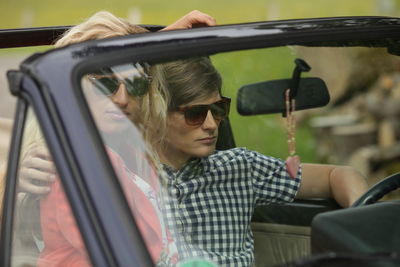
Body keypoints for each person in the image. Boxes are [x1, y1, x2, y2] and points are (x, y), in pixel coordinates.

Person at [9, 10, 217, 267]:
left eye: (136, 84)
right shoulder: (73, 162)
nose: (121, 97)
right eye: (104, 85)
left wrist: (162, 38)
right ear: (70, 87)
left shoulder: (131, 150)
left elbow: (118, 64)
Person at [150, 56, 369, 266]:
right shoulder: (127, 181)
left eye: (218, 109)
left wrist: (364, 219)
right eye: (195, 113)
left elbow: (338, 175)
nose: (212, 124)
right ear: (157, 113)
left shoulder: (240, 166)